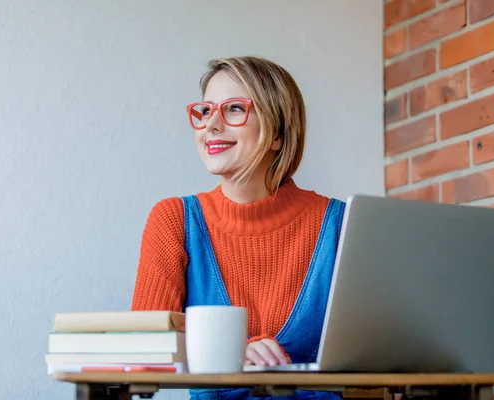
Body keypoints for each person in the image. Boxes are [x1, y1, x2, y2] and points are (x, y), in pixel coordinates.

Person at [131, 56, 346, 400]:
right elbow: (144, 345)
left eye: (233, 109)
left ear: (277, 134)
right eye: (204, 111)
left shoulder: (339, 224)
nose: (211, 125)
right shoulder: (174, 219)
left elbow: (386, 346)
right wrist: (231, 350)